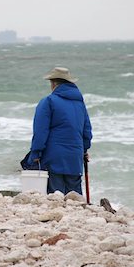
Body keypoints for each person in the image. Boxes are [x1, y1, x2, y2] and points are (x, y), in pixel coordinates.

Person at [28, 67, 92, 195]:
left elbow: (40, 131)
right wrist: (84, 151)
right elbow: (87, 132)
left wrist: (35, 153)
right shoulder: (80, 104)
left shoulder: (48, 101)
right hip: (75, 158)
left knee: (56, 197)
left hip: (53, 158)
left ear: (54, 83)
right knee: (74, 199)